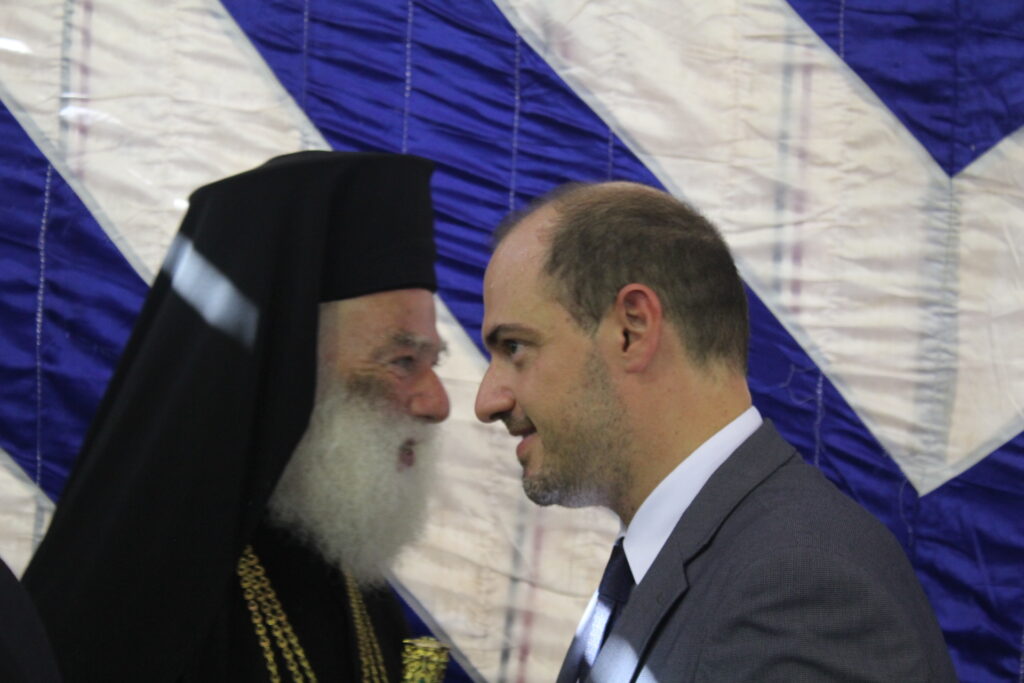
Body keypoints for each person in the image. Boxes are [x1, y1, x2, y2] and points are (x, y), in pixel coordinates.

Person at [474, 181, 958, 682]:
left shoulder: (797, 588)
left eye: (514, 347)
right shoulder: (712, 557)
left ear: (632, 330)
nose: (487, 402)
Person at [23, 151, 451, 682]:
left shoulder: (345, 565)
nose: (437, 404)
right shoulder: (130, 593)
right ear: (287, 369)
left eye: (433, 362)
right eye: (402, 362)